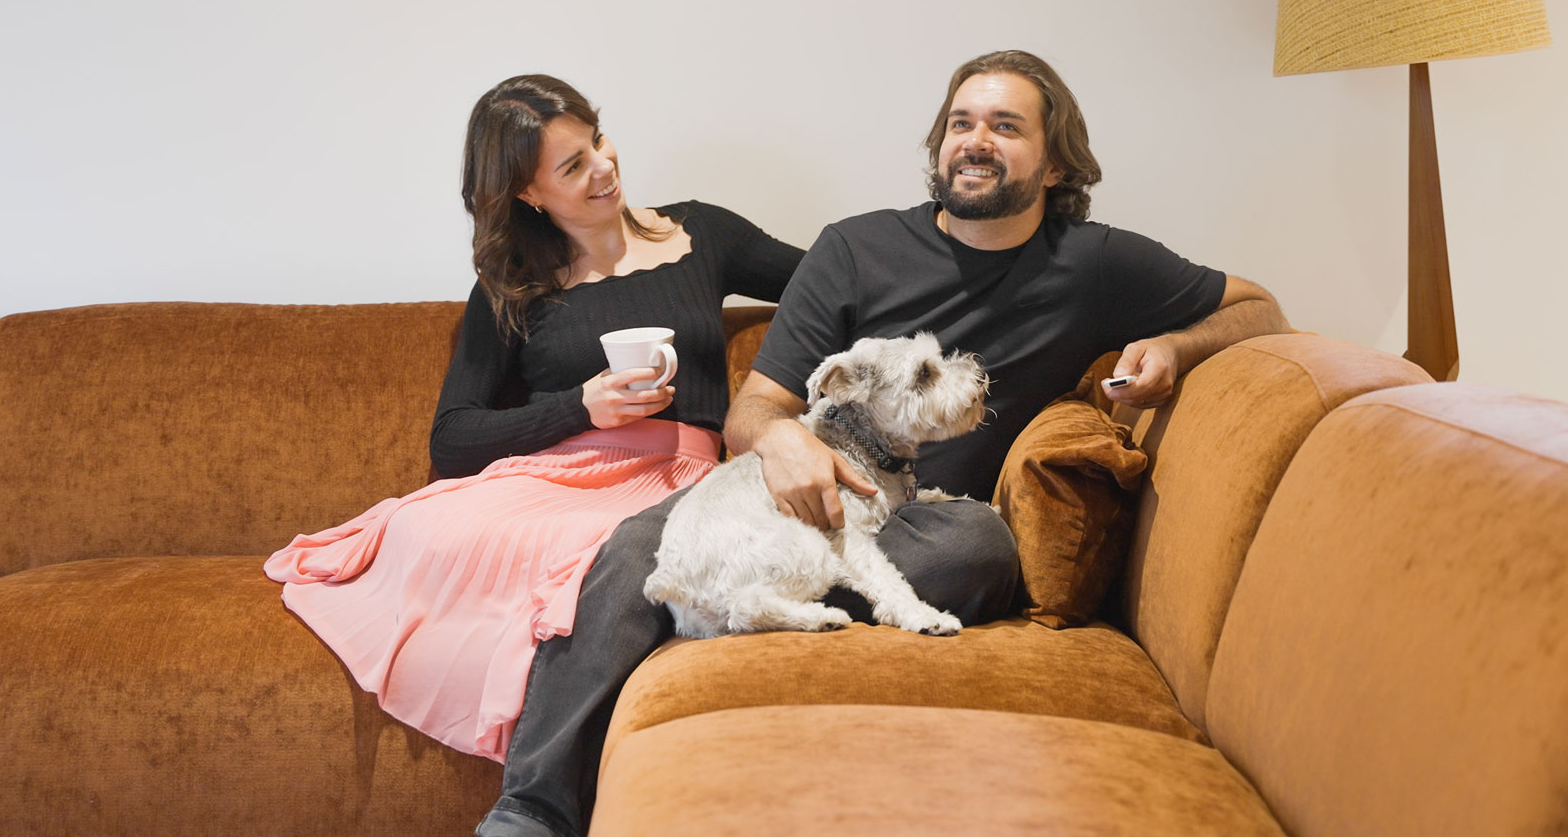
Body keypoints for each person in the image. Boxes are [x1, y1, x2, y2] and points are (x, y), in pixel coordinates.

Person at [474, 50, 1288, 837]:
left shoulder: (1097, 264)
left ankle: (744, 607)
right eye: (960, 122)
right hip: (784, 508)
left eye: (1006, 126)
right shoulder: (854, 249)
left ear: (1056, 166)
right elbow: (754, 412)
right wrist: (784, 443)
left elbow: (1259, 308)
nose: (975, 140)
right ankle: (531, 812)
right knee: (631, 548)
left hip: (918, 520)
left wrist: (1176, 348)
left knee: (982, 548)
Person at [263, 74, 803, 764]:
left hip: (676, 477)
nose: (604, 168)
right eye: (573, 166)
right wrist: (581, 406)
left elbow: (829, 286)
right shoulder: (511, 287)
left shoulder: (704, 234)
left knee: (606, 553)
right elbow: (453, 436)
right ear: (528, 192)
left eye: (598, 142)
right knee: (426, 527)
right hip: (558, 478)